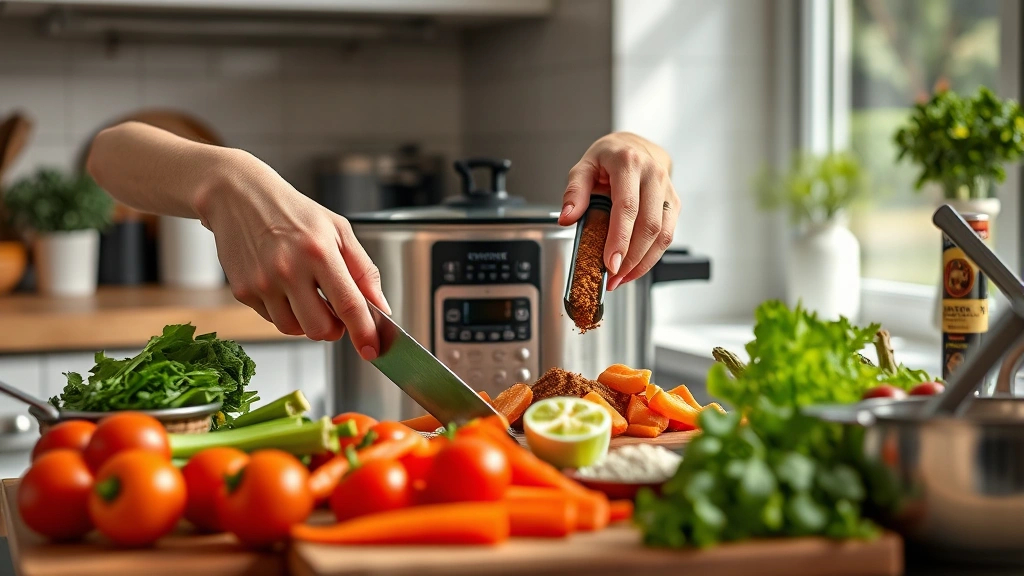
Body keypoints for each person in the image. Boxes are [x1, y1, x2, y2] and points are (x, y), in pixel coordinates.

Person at [87, 123, 679, 361]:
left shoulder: (588, 228)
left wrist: (642, 150)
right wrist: (223, 178)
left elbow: (648, 163)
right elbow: (105, 154)